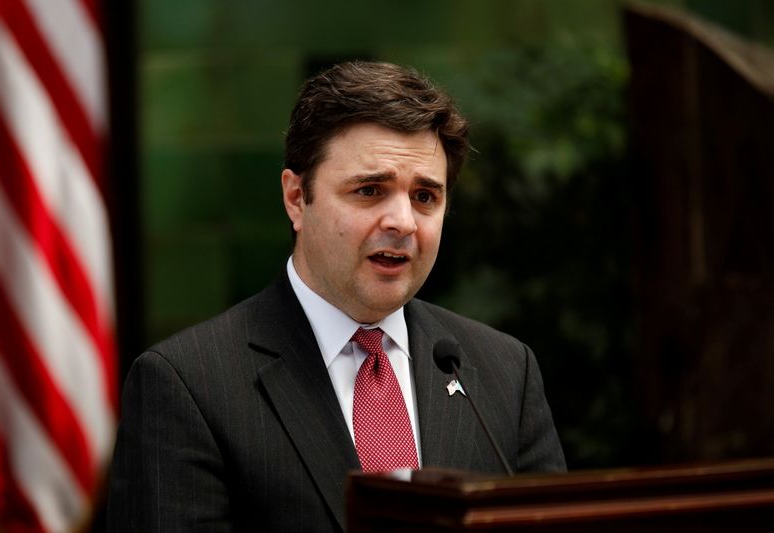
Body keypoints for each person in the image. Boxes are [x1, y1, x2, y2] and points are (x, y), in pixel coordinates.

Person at [106, 61, 565, 532]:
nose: (403, 222)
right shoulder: (187, 386)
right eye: (370, 190)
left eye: (425, 197)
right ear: (296, 199)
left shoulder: (505, 371)